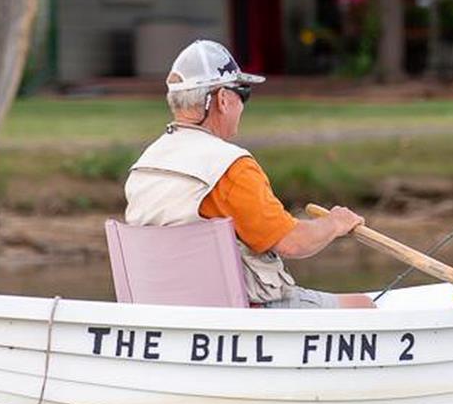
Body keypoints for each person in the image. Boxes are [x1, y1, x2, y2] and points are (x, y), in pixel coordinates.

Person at [124, 39, 374, 308]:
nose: (243, 104)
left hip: (162, 311)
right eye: (243, 93)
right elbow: (292, 243)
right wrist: (335, 223)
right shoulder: (230, 167)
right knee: (364, 306)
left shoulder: (144, 164)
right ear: (222, 99)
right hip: (241, 314)